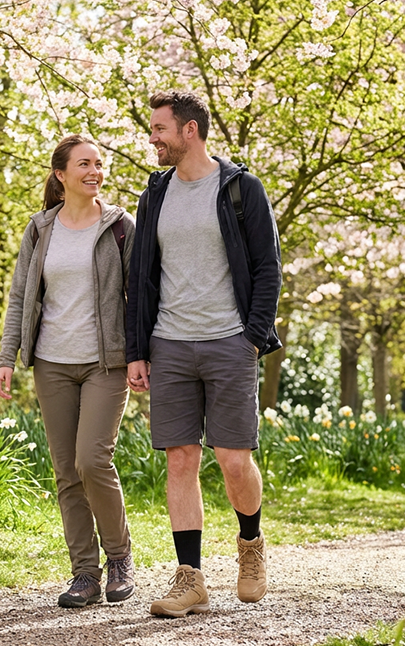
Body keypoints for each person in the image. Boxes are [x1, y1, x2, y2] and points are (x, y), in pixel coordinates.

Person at [125, 91, 282, 617]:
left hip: (229, 341)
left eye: (159, 128)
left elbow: (267, 268)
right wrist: (137, 349)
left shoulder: (240, 188)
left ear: (189, 130)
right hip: (169, 343)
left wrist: (252, 337)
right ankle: (189, 578)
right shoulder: (156, 193)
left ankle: (251, 547)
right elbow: (140, 277)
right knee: (180, 458)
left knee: (234, 460)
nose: (153, 137)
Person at [0, 134, 136, 608]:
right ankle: (85, 574)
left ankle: (119, 559)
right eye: (84, 164)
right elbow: (21, 297)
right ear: (61, 174)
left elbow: (140, 298)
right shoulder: (40, 229)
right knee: (65, 472)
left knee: (92, 461)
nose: (95, 171)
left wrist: (139, 354)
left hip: (105, 362)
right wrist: (6, 357)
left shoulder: (121, 226)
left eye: (99, 163)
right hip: (51, 363)